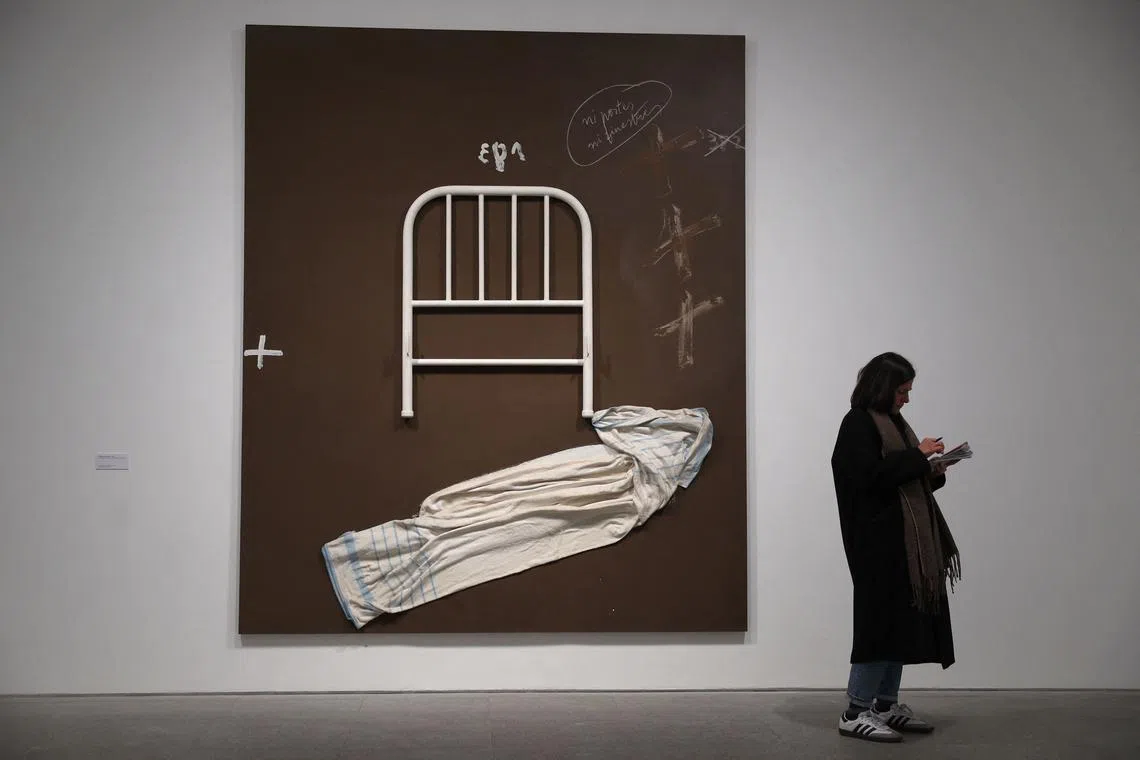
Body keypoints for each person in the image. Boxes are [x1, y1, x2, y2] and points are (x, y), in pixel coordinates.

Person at [830, 352, 962, 743]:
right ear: (884, 388)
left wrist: (930, 470)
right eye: (903, 391)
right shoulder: (857, 424)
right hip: (877, 545)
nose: (906, 399)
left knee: (899, 624)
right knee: (878, 624)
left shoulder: (893, 424)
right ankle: (855, 711)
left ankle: (885, 705)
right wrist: (917, 456)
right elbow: (865, 480)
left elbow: (899, 480)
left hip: (901, 544)